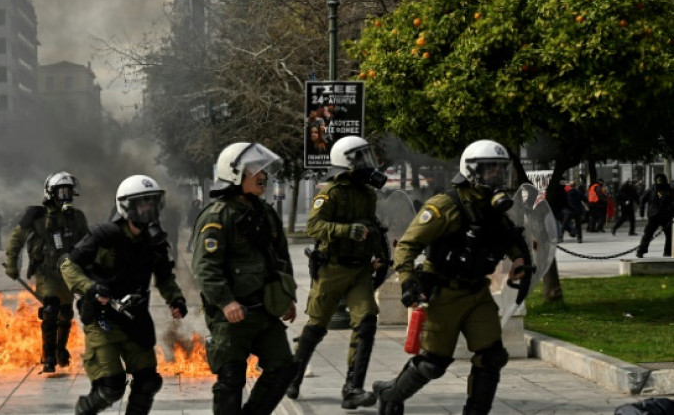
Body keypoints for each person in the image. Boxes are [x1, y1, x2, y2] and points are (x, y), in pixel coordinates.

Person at [372, 140, 528, 415]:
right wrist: (407, 281)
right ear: (470, 171)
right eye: (489, 169)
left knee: (491, 357)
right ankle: (390, 394)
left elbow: (508, 237)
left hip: (477, 292)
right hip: (443, 292)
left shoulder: (492, 206)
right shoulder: (445, 205)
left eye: (500, 170)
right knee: (434, 363)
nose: (496, 176)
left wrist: (518, 258)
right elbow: (407, 246)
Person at [60, 174, 186, 415]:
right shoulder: (104, 235)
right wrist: (91, 288)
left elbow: (165, 277)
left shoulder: (154, 242)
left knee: (148, 382)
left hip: (135, 319)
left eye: (152, 202)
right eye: (143, 203)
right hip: (102, 320)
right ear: (127, 206)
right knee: (111, 388)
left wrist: (175, 299)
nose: (148, 209)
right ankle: (83, 411)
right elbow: (68, 265)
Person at [191, 142, 298, 414]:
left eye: (263, 169)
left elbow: (280, 260)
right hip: (231, 317)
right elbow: (205, 267)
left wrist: (286, 298)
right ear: (235, 174)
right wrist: (226, 302)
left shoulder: (267, 214)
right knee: (231, 379)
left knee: (284, 367)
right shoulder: (218, 216)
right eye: (255, 169)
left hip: (264, 313)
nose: (263, 175)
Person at [286, 136, 389, 407]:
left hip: (360, 271)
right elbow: (313, 227)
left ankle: (353, 388)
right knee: (317, 327)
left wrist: (380, 254)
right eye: (361, 158)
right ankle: (292, 378)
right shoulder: (330, 193)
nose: (369, 163)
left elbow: (372, 227)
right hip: (332, 268)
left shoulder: (368, 193)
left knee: (366, 323)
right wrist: (345, 231)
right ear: (346, 162)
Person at [5, 171, 89, 373]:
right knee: (51, 310)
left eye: (68, 192)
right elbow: (16, 239)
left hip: (68, 273)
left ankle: (61, 351)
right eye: (61, 192)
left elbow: (88, 243)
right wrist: (12, 264)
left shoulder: (77, 218)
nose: (65, 196)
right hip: (46, 272)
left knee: (66, 314)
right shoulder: (36, 216)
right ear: (51, 193)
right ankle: (48, 355)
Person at [636, 174, 674, 258]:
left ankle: (667, 252)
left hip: (666, 216)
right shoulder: (652, 189)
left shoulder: (669, 189)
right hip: (654, 216)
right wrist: (641, 211)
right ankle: (641, 251)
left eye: (661, 179)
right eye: (657, 179)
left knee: (670, 235)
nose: (659, 181)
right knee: (648, 234)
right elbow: (643, 199)